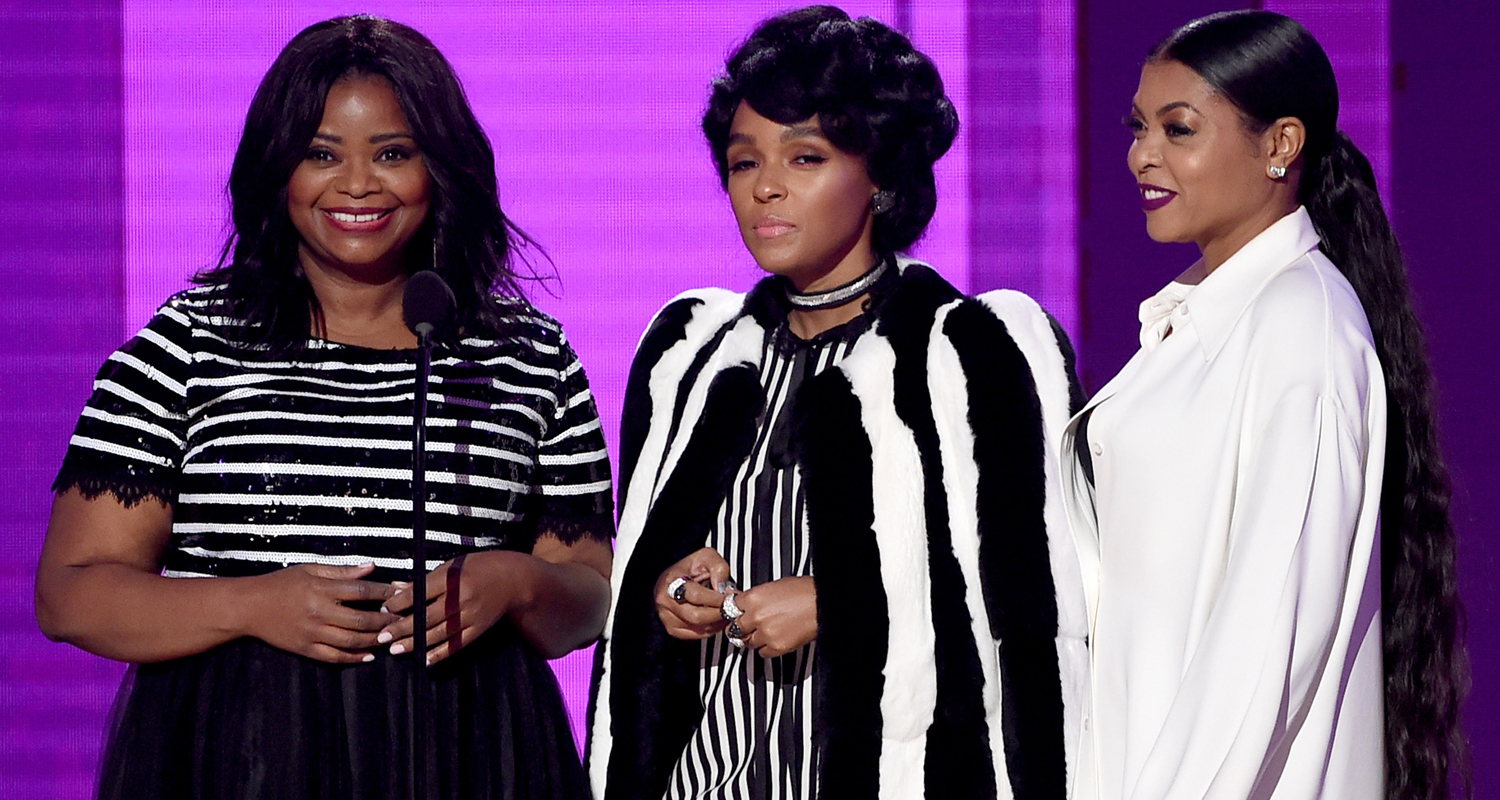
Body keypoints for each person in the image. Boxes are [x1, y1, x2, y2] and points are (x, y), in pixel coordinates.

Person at [35, 16, 612, 800]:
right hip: (241, 760)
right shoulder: (190, 342)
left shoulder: (526, 356)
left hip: (468, 755)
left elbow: (588, 598)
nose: (358, 185)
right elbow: (71, 594)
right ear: (278, 168)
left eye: (393, 153)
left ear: (441, 167)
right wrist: (252, 605)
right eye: (321, 154)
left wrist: (516, 583)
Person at [585, 7, 1087, 799]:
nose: (766, 187)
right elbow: (640, 605)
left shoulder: (970, 351)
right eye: (744, 162)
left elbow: (1035, 616)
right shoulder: (692, 357)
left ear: (880, 175)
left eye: (806, 157)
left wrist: (840, 604)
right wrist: (673, 595)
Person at [1061, 10, 1467, 800]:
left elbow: (1266, 639)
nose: (1142, 154)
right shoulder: (1206, 319)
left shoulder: (1299, 327)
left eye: (1179, 129)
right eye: (1138, 127)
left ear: (1281, 144)